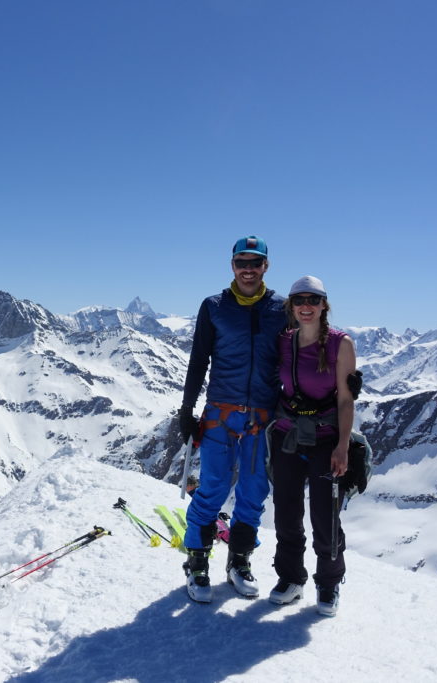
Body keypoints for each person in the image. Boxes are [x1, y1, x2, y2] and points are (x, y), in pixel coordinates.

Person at [178, 236, 288, 602]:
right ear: (232, 266)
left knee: (254, 491)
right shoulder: (214, 307)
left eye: (255, 263)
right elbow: (199, 360)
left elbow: (298, 357)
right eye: (242, 262)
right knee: (212, 487)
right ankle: (196, 562)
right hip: (220, 413)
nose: (248, 269)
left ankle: (238, 560)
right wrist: (186, 409)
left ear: (265, 267)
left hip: (263, 416)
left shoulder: (282, 309)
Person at [266, 275, 357, 617]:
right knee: (287, 511)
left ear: (324, 305)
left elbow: (347, 399)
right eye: (299, 300)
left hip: (325, 439)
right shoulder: (283, 341)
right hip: (288, 434)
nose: (306, 306)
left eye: (313, 300)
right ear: (291, 306)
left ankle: (329, 582)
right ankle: (291, 578)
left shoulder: (340, 344)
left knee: (325, 514)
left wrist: (343, 446)